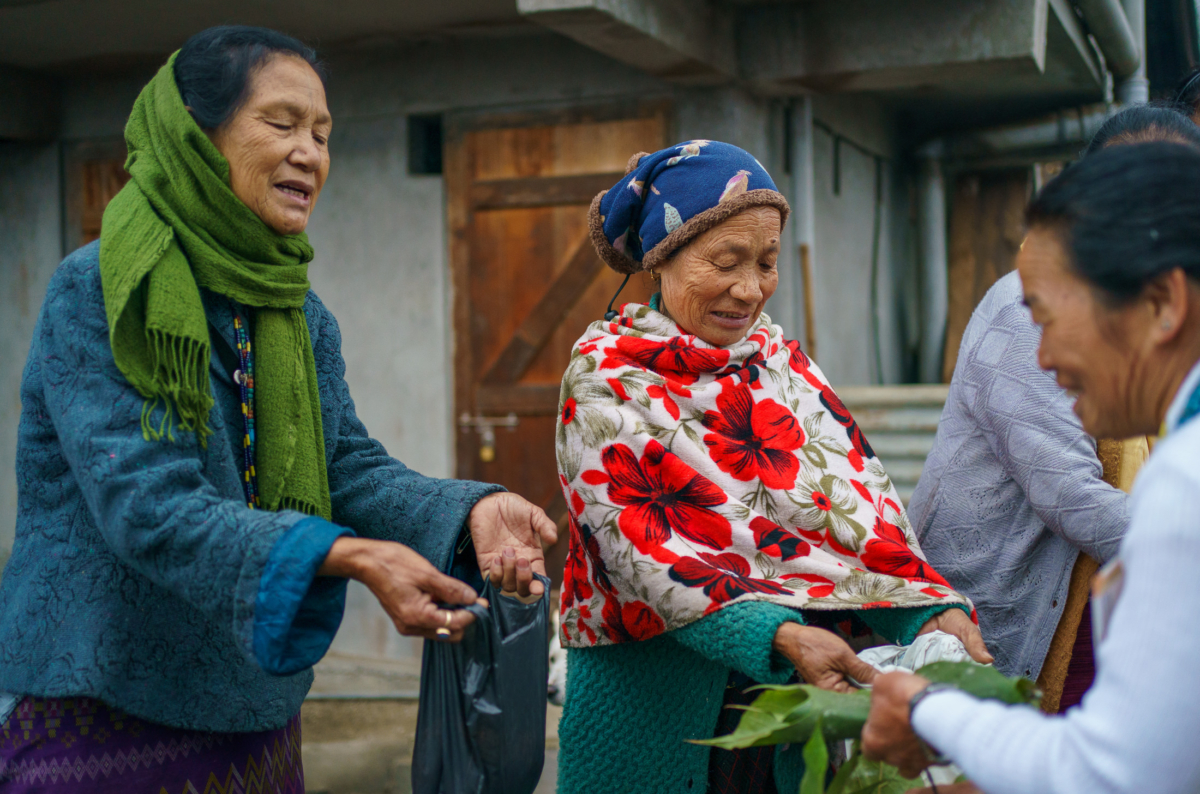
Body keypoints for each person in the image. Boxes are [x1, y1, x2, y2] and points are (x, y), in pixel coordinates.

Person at [0, 26, 555, 792]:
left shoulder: (297, 312)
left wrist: (474, 511)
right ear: (197, 137)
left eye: (323, 134)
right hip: (105, 703)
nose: (310, 153)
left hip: (254, 711)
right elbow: (147, 503)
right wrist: (348, 555)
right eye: (282, 123)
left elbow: (345, 467)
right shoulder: (100, 288)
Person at [553, 140, 991, 794]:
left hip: (802, 700)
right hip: (660, 702)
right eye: (725, 261)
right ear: (661, 258)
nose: (749, 289)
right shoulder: (605, 383)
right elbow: (641, 555)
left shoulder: (783, 370)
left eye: (766, 262)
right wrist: (779, 633)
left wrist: (926, 611)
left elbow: (860, 519)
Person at [862, 141, 1200, 794]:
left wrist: (926, 710)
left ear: (1161, 304)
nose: (1038, 356)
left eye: (1046, 317)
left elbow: (1105, 773)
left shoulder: (1183, 484)